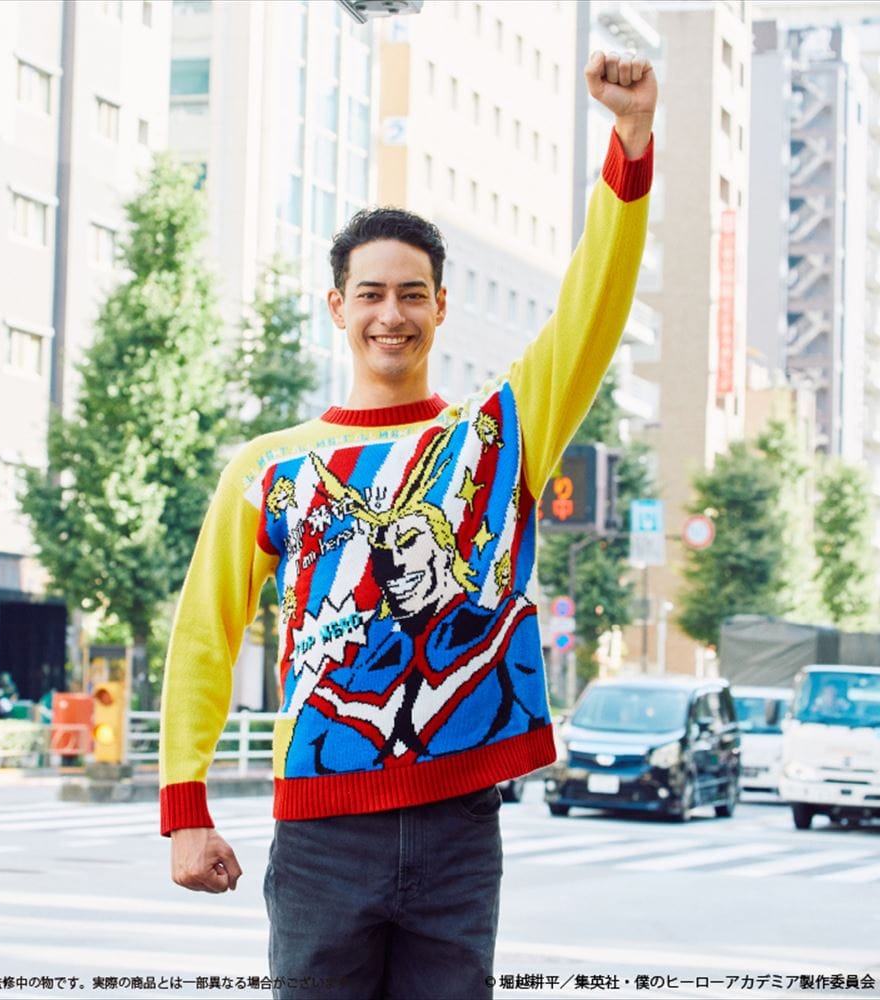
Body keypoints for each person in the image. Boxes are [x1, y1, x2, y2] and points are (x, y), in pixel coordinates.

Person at [161, 50, 657, 1000]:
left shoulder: (495, 438)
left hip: (458, 826)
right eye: (372, 293)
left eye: (413, 293)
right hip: (320, 827)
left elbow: (590, 313)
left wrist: (630, 141)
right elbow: (204, 635)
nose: (392, 314)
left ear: (440, 307)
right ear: (337, 306)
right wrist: (185, 806)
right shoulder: (270, 467)